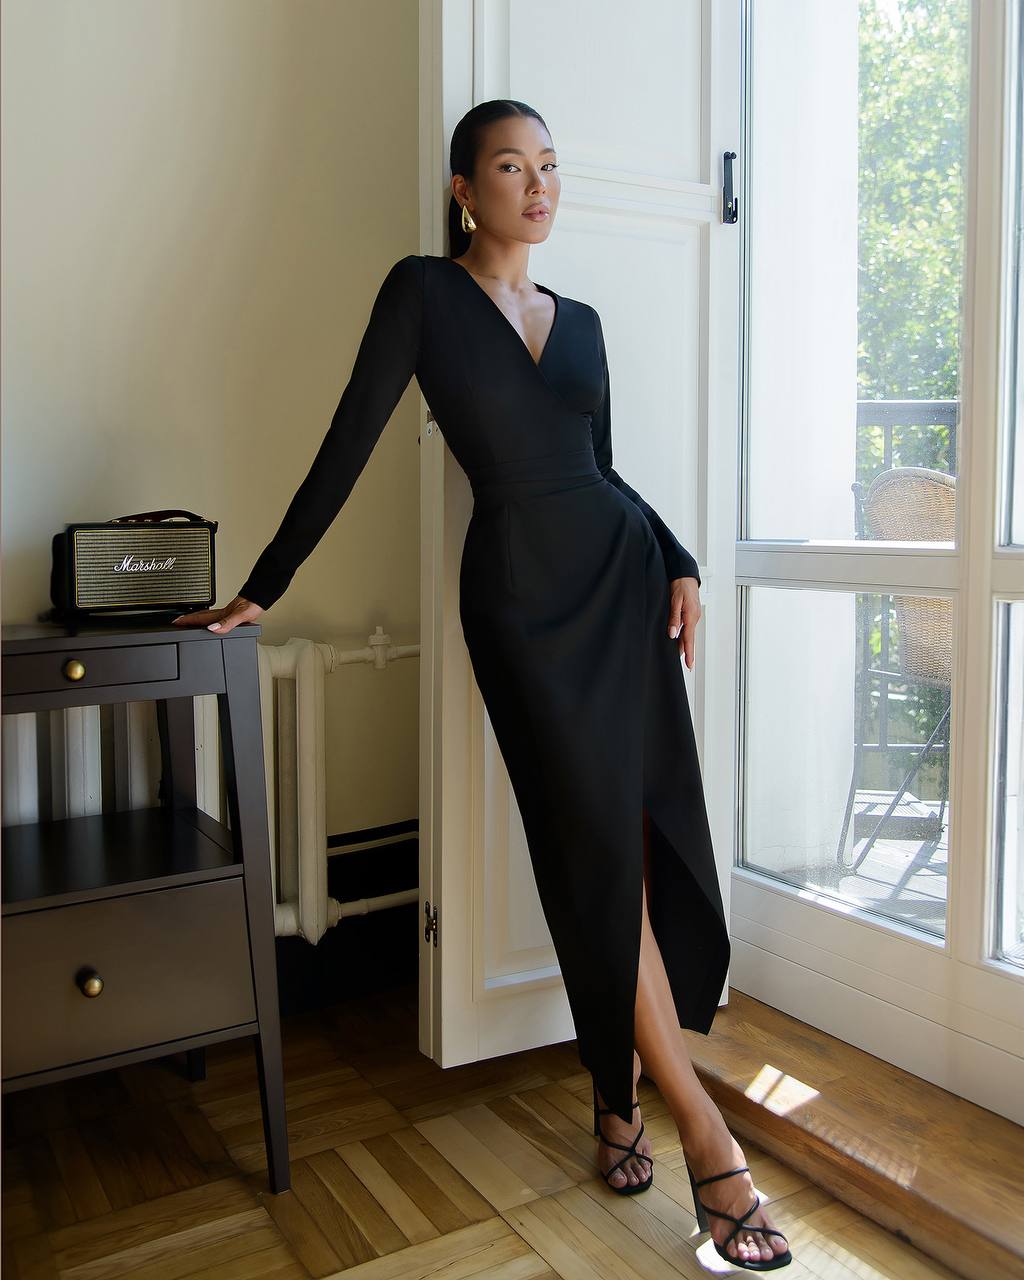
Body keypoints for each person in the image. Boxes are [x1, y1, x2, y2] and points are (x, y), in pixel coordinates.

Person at [174, 100, 791, 1271]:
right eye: (512, 166)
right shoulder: (420, 292)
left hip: (620, 588)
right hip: (519, 604)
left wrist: (681, 555)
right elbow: (347, 441)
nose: (537, 184)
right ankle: (709, 1139)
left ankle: (618, 1102)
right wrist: (263, 583)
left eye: (550, 164)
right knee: (590, 856)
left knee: (634, 847)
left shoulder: (588, 322)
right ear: (465, 187)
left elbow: (603, 473)